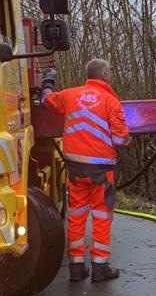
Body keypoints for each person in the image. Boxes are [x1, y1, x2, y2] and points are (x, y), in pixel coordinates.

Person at [41, 59, 130, 283]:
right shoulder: (111, 101)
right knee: (101, 215)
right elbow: (120, 139)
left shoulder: (70, 95)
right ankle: (100, 267)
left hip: (75, 167)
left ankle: (76, 267)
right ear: (106, 74)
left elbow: (46, 100)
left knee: (76, 215)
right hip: (101, 170)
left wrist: (47, 82)